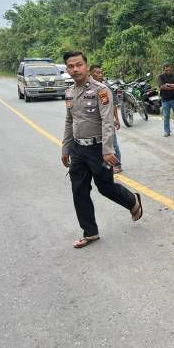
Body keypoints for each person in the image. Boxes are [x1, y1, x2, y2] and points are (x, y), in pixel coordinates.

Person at [61, 51, 143, 249]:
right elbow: (69, 121)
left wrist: (107, 150)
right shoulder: (69, 92)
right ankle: (90, 232)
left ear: (86, 66)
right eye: (70, 66)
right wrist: (65, 148)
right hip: (78, 149)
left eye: (78, 65)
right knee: (78, 191)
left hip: (98, 149)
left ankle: (132, 201)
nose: (75, 69)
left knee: (105, 187)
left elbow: (107, 122)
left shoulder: (101, 90)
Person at [89, 65, 123, 173]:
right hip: (95, 122)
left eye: (101, 72)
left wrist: (116, 119)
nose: (100, 75)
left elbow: (113, 105)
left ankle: (117, 164)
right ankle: (104, 165)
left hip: (107, 121)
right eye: (97, 73)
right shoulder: (88, 87)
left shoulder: (106, 88)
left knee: (113, 143)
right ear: (91, 74)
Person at [157, 63, 174, 137]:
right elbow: (161, 87)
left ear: (172, 68)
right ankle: (167, 132)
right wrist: (173, 86)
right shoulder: (161, 76)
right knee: (166, 116)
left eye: (169, 69)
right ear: (164, 69)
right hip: (165, 100)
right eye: (166, 69)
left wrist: (168, 85)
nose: (168, 70)